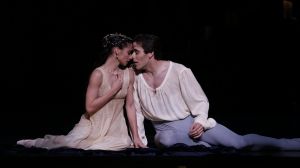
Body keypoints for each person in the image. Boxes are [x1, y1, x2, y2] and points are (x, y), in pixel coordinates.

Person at [132, 34, 300, 150]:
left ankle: (289, 144)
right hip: (165, 132)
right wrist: (139, 138)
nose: (133, 57)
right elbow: (137, 112)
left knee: (239, 143)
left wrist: (199, 122)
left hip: (191, 124)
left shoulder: (179, 71)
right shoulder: (136, 79)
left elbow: (200, 101)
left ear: (150, 53)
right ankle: (204, 149)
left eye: (136, 52)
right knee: (166, 140)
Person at [17, 33, 146, 151]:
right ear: (117, 51)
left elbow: (130, 106)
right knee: (68, 144)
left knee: (123, 142)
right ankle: (36, 143)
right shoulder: (98, 74)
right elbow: (89, 108)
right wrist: (113, 91)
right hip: (93, 125)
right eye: (129, 52)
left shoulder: (128, 74)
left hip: (115, 128)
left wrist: (135, 136)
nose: (131, 57)